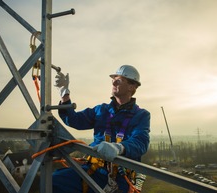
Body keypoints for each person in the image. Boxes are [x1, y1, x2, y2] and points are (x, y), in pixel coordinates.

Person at [52, 65, 150, 193]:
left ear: (132, 87)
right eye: (113, 79)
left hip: (120, 178)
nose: (113, 82)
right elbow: (74, 120)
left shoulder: (141, 115)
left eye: (119, 80)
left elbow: (141, 142)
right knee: (55, 180)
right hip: (94, 170)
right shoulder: (102, 110)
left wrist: (119, 148)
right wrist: (64, 93)